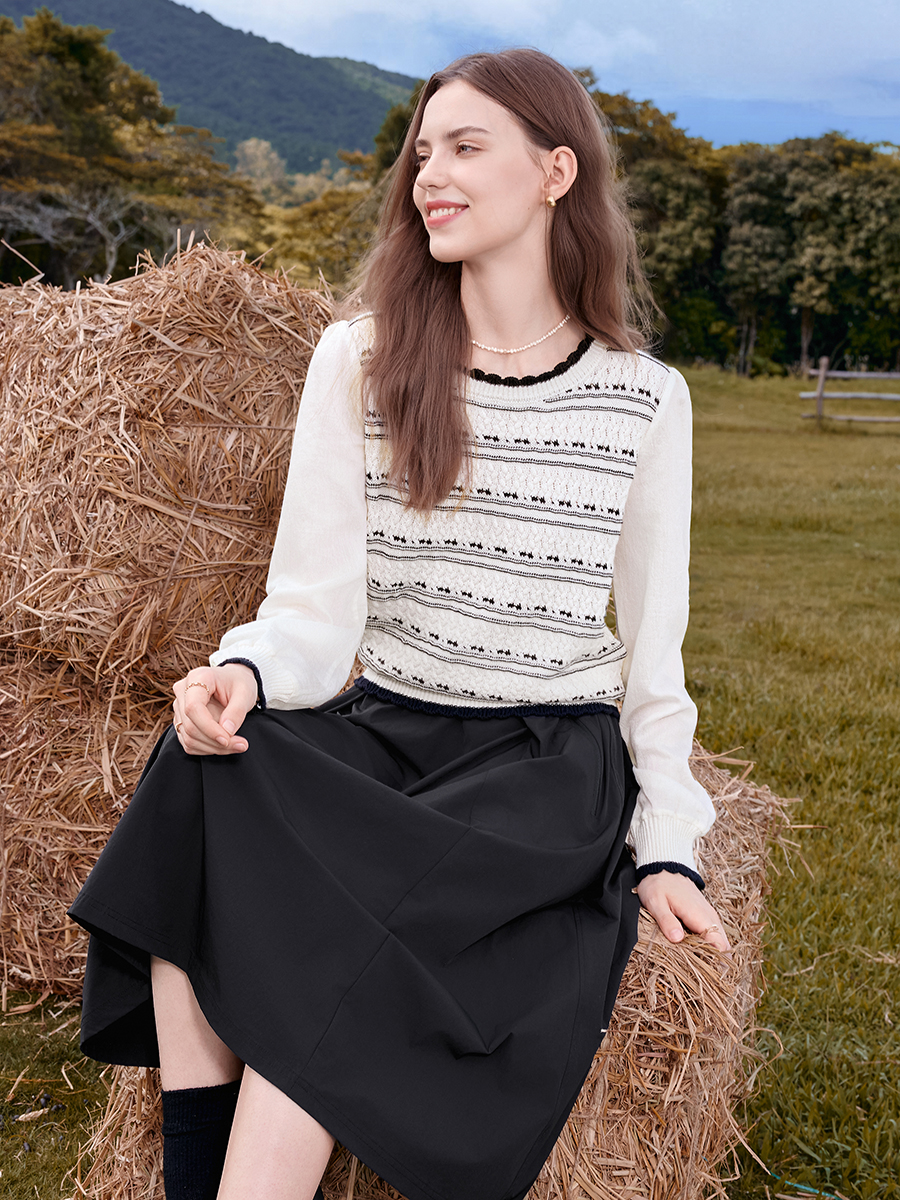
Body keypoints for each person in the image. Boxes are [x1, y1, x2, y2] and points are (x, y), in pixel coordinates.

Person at [69, 47, 729, 1200]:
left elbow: (653, 667)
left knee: (337, 960)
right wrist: (243, 674)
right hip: (385, 731)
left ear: (556, 172)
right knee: (198, 772)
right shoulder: (362, 359)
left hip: (539, 773)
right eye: (424, 153)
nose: (431, 175)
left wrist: (667, 844)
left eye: (467, 148)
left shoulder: (644, 398)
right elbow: (312, 609)